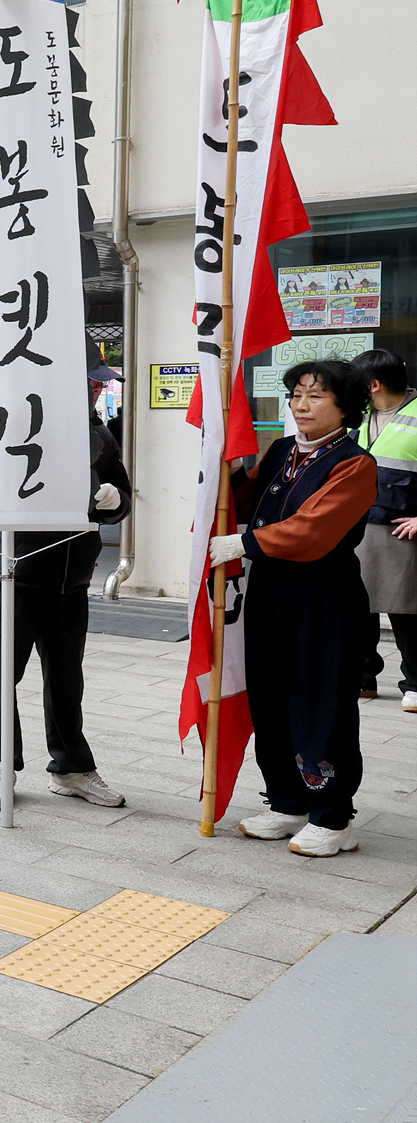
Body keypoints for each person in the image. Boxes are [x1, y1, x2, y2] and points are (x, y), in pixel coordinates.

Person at [212, 360, 379, 857]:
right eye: (296, 395)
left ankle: (332, 814)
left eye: (315, 396)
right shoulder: (283, 450)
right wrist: (233, 470)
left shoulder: (354, 463)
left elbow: (315, 530)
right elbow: (248, 503)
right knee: (271, 694)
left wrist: (246, 544)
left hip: (324, 597)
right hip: (270, 592)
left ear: (345, 407)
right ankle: (287, 801)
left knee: (321, 699)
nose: (301, 405)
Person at [0, 354, 132, 811]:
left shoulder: (101, 434)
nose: (99, 389)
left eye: (102, 383)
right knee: (4, 674)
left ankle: (71, 767)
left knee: (66, 678)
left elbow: (121, 497)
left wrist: (112, 499)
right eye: (91, 381)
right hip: (13, 570)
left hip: (71, 577)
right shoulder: (17, 423)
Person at [350, 349, 417, 710]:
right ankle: (363, 681)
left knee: (407, 613)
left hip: (403, 533)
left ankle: (416, 684)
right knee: (360, 610)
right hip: (359, 528)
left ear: (373, 385)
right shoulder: (360, 418)